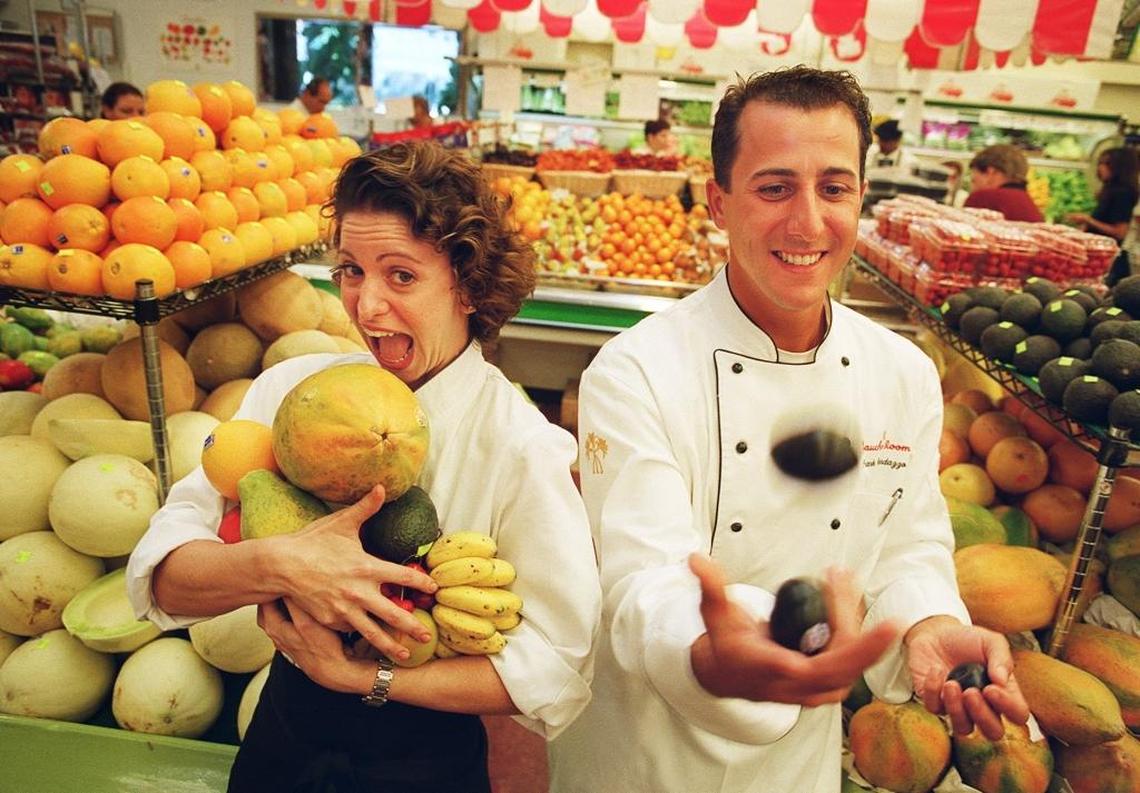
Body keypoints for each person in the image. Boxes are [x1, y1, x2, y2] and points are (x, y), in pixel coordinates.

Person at [548, 66, 1028, 793]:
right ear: (718, 201)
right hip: (646, 747)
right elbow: (643, 580)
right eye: (774, 187)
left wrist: (928, 621)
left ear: (862, 196)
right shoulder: (635, 370)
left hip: (793, 758)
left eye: (834, 187)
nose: (808, 222)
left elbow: (907, 543)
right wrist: (709, 651)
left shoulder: (900, 372)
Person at [126, 142, 601, 792]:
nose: (367, 305)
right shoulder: (291, 391)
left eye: (400, 275)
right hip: (282, 739)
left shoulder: (520, 447)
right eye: (351, 270)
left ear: (468, 283)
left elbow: (556, 665)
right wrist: (283, 563)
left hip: (424, 762)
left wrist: (363, 676)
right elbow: (160, 577)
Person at [1067, 147, 1139, 242]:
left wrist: (1087, 219)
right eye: (1100, 163)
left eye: (1107, 164)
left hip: (1107, 252)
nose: (1100, 167)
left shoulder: (1123, 194)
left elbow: (1120, 232)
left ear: (1120, 167)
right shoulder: (1111, 190)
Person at [964, 144, 1044, 222]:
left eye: (973, 181)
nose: (972, 187)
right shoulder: (1029, 204)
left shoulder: (982, 198)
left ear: (991, 172)